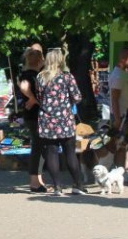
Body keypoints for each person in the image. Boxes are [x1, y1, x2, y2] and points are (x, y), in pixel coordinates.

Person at [36, 48, 86, 196]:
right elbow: (77, 97)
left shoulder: (40, 77)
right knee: (70, 152)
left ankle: (57, 187)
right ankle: (78, 185)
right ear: (60, 61)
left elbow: (40, 97)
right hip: (65, 119)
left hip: (47, 119)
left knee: (51, 152)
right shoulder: (66, 77)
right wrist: (67, 102)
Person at [17, 47, 46, 193]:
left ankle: (38, 180)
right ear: (39, 60)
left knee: (39, 147)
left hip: (33, 115)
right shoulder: (29, 75)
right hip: (33, 115)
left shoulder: (31, 73)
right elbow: (23, 86)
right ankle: (34, 181)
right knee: (37, 148)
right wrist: (33, 98)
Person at [108, 48, 128, 179]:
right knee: (120, 144)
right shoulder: (118, 76)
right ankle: (120, 171)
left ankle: (124, 171)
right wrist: (117, 118)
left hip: (127, 113)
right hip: (121, 115)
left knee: (126, 143)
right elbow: (114, 98)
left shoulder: (124, 73)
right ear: (123, 59)